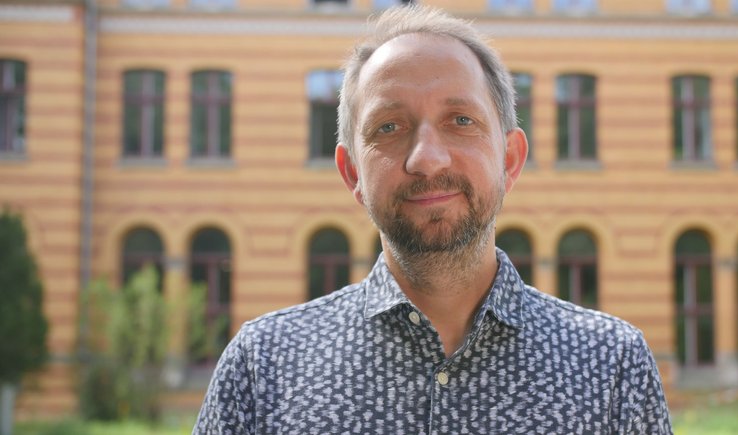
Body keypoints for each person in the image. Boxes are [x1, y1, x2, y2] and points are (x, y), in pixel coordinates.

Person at [193, 5, 672, 434]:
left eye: (461, 120)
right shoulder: (263, 368)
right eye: (389, 127)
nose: (427, 159)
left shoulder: (612, 367)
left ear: (509, 160)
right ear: (352, 171)